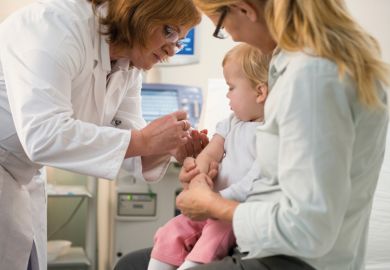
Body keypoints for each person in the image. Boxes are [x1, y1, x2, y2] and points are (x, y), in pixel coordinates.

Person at [114, 0, 390, 270]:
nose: (231, 35)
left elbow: (308, 228)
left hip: (290, 257)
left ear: (245, 9)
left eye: (220, 25)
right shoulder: (298, 69)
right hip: (273, 247)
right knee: (131, 263)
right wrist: (206, 161)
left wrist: (213, 205)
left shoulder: (313, 77)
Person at [0, 0, 208, 270]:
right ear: (139, 13)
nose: (171, 48)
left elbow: (128, 135)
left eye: (179, 40)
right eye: (169, 32)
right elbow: (43, 135)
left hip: (22, 176)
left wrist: (169, 147)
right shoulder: (54, 25)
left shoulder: (129, 62)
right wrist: (146, 141)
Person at [148, 44, 272, 270]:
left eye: (232, 87)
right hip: (209, 201)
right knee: (172, 229)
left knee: (213, 237)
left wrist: (215, 200)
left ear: (260, 92)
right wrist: (198, 176)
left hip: (234, 210)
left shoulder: (271, 132)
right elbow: (211, 152)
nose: (227, 94)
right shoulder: (231, 121)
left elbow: (255, 179)